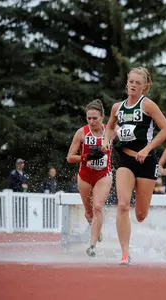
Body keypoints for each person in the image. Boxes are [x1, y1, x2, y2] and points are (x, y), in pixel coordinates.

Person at [102, 67, 166, 265]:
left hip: (146, 161)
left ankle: (140, 216)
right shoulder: (117, 107)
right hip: (125, 160)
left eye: (137, 83)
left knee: (141, 214)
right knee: (123, 205)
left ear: (144, 86)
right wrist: (107, 140)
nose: (133, 85)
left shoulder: (147, 105)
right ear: (126, 83)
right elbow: (109, 127)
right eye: (130, 81)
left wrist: (147, 149)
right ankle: (125, 253)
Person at [66, 99, 113, 257]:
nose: (92, 121)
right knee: (88, 213)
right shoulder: (82, 133)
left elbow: (128, 138)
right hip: (85, 176)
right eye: (89, 118)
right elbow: (70, 157)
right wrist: (87, 156)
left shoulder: (111, 130)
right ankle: (96, 229)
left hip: (103, 175)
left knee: (98, 207)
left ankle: (92, 246)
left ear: (103, 117)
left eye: (95, 118)